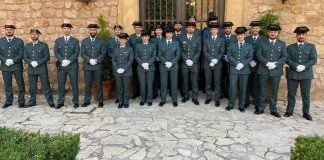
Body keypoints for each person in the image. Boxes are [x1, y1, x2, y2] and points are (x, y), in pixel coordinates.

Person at [285, 26, 317, 121]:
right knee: (291, 94)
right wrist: (296, 66)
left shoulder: (311, 47)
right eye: (299, 34)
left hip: (306, 74)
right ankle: (289, 111)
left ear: (306, 35)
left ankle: (306, 112)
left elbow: (313, 59)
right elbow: (287, 59)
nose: (301, 36)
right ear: (296, 36)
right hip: (293, 74)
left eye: (303, 34)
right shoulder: (290, 47)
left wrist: (304, 66)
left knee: (305, 94)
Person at [255, 24, 287, 117]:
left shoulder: (282, 44)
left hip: (276, 71)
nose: (273, 33)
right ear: (268, 32)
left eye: (275, 32)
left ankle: (273, 109)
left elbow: (284, 57)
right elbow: (258, 55)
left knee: (274, 91)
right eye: (271, 32)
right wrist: (267, 63)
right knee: (262, 90)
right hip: (263, 70)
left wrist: (275, 64)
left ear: (277, 33)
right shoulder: (262, 43)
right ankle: (260, 108)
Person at [24, 29, 55, 108]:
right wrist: (31, 62)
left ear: (38, 35)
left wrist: (38, 62)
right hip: (32, 69)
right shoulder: (27, 46)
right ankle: (32, 101)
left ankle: (50, 101)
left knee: (46, 86)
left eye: (36, 34)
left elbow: (47, 57)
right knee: (32, 87)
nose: (34, 36)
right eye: (32, 34)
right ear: (30, 35)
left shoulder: (43, 45)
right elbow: (25, 57)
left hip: (42, 69)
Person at [226, 27, 253, 112]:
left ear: (244, 35)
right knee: (232, 87)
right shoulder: (232, 45)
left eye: (241, 35)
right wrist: (236, 63)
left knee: (243, 88)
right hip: (234, 69)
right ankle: (231, 104)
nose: (240, 37)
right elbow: (229, 56)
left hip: (244, 70)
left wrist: (242, 64)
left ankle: (242, 105)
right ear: (236, 36)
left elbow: (250, 57)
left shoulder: (249, 46)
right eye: (238, 35)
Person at [54, 22, 80, 109]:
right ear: (62, 30)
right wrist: (62, 60)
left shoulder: (75, 41)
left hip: (72, 66)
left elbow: (76, 52)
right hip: (61, 66)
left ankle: (76, 101)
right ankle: (60, 102)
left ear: (70, 30)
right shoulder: (58, 40)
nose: (66, 30)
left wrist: (69, 60)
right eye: (64, 29)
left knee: (74, 84)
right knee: (61, 84)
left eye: (68, 29)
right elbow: (56, 52)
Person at [81, 23, 106, 107]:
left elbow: (103, 53)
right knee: (88, 84)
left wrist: (96, 60)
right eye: (91, 29)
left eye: (94, 30)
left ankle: (100, 100)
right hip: (88, 66)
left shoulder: (101, 41)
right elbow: (83, 53)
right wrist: (89, 60)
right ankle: (87, 100)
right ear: (89, 30)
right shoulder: (84, 41)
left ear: (96, 31)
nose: (93, 31)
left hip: (97, 66)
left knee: (99, 84)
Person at [0, 24, 25, 108]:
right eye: (7, 29)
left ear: (13, 31)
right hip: (5, 66)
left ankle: (21, 101)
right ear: (5, 30)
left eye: (10, 29)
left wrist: (13, 60)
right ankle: (8, 101)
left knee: (20, 83)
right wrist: (5, 60)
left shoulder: (19, 41)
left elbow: (21, 54)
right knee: (7, 84)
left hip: (17, 66)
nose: (9, 31)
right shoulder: (1, 41)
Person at [245, 21, 266, 109]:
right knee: (246, 84)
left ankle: (256, 102)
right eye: (253, 28)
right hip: (247, 65)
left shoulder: (264, 40)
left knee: (256, 85)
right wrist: (249, 61)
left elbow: (264, 53)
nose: (255, 29)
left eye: (257, 28)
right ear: (251, 29)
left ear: (259, 29)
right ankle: (245, 101)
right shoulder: (247, 39)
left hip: (258, 66)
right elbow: (244, 52)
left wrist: (256, 62)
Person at [203, 23, 225, 107]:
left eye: (215, 29)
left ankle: (217, 99)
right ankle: (208, 97)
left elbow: (222, 51)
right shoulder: (206, 40)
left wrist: (216, 60)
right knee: (208, 82)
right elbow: (205, 51)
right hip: (208, 64)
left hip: (218, 64)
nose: (214, 31)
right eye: (212, 29)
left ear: (218, 30)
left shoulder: (221, 40)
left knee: (217, 82)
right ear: (210, 31)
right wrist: (211, 59)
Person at [179, 22, 201, 105]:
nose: (190, 29)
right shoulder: (182, 38)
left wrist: (193, 60)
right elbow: (180, 51)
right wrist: (186, 60)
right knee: (185, 81)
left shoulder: (198, 38)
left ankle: (195, 97)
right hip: (185, 64)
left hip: (194, 64)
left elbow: (199, 51)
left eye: (192, 27)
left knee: (194, 81)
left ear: (194, 29)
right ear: (186, 29)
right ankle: (186, 96)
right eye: (189, 27)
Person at [158, 27, 180, 107]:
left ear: (172, 34)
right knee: (163, 83)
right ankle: (163, 100)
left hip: (173, 66)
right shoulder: (161, 43)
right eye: (167, 33)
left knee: (174, 83)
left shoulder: (176, 43)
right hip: (163, 66)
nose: (169, 35)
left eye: (170, 33)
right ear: (165, 34)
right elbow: (159, 55)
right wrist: (165, 62)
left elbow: (178, 55)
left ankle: (174, 100)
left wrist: (171, 62)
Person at [112, 33, 134, 108]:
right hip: (117, 71)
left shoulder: (130, 49)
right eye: (120, 39)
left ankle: (126, 101)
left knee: (126, 87)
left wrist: (124, 68)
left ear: (126, 41)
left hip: (127, 71)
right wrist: (117, 68)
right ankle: (120, 101)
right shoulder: (115, 49)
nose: (121, 41)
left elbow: (131, 60)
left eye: (123, 39)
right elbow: (113, 60)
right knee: (119, 87)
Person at [135, 30, 156, 106]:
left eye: (146, 37)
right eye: (143, 37)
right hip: (140, 68)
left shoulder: (152, 45)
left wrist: (148, 63)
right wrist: (142, 63)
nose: (144, 38)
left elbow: (154, 55)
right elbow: (136, 56)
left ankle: (149, 99)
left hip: (150, 68)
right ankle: (143, 99)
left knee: (150, 84)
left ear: (148, 37)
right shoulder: (138, 46)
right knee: (142, 84)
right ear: (141, 37)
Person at [221, 21, 237, 99]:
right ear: (224, 29)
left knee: (230, 77)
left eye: (229, 28)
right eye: (226, 28)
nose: (227, 29)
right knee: (221, 77)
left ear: (231, 29)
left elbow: (237, 49)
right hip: (221, 60)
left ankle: (228, 93)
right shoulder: (220, 36)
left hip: (231, 61)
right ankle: (222, 93)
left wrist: (230, 57)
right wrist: (223, 56)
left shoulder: (235, 37)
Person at [129, 21, 143, 99]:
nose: (137, 29)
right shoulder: (131, 37)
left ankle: (143, 92)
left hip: (144, 60)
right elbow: (129, 49)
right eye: (136, 27)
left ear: (141, 28)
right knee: (135, 77)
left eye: (138, 27)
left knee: (144, 76)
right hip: (134, 60)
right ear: (134, 28)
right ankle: (136, 92)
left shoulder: (144, 35)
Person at [150, 24, 165, 99]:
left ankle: (163, 93)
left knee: (163, 77)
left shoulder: (165, 39)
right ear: (155, 31)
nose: (158, 31)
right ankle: (155, 93)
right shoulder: (152, 40)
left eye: (159, 30)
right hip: (154, 61)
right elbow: (151, 50)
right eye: (157, 30)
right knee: (154, 77)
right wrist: (155, 57)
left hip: (163, 61)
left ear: (162, 31)